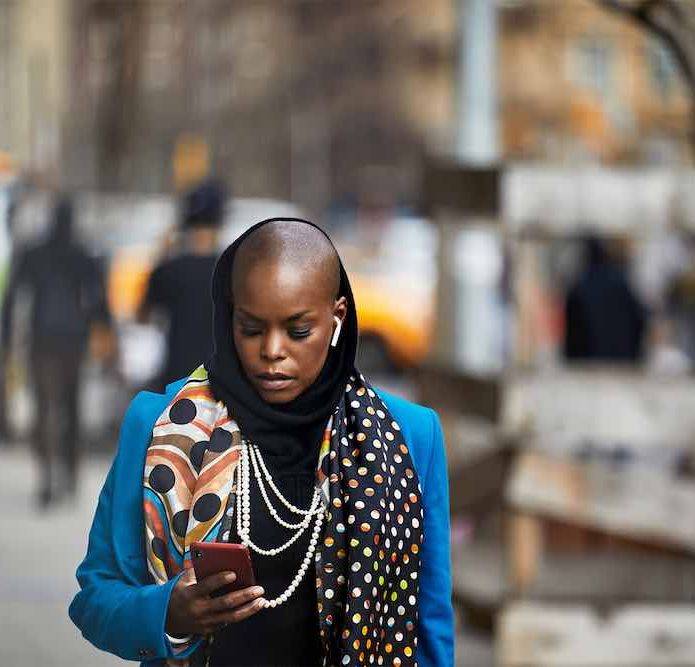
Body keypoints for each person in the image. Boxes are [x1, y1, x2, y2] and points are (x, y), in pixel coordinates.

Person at [70, 218, 454, 666]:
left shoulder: (410, 436)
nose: (272, 350)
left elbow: (428, 624)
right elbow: (96, 597)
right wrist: (168, 614)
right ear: (229, 316)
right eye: (251, 329)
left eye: (298, 330)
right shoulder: (160, 426)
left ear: (337, 317)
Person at [0, 196, 113, 510]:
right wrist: (104, 333)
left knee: (45, 407)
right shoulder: (83, 254)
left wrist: (6, 339)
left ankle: (48, 475)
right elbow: (98, 300)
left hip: (41, 338)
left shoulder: (34, 253)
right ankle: (70, 474)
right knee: (71, 406)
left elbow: (12, 296)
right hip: (73, 339)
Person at [138, 180, 225, 391]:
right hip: (220, 379)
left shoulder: (169, 269)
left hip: (176, 380)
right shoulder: (233, 269)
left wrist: (162, 254)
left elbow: (143, 316)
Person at [564, 237, 647, 363]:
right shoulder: (623, 284)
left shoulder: (579, 287)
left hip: (589, 364)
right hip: (623, 362)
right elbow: (640, 322)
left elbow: (572, 336)